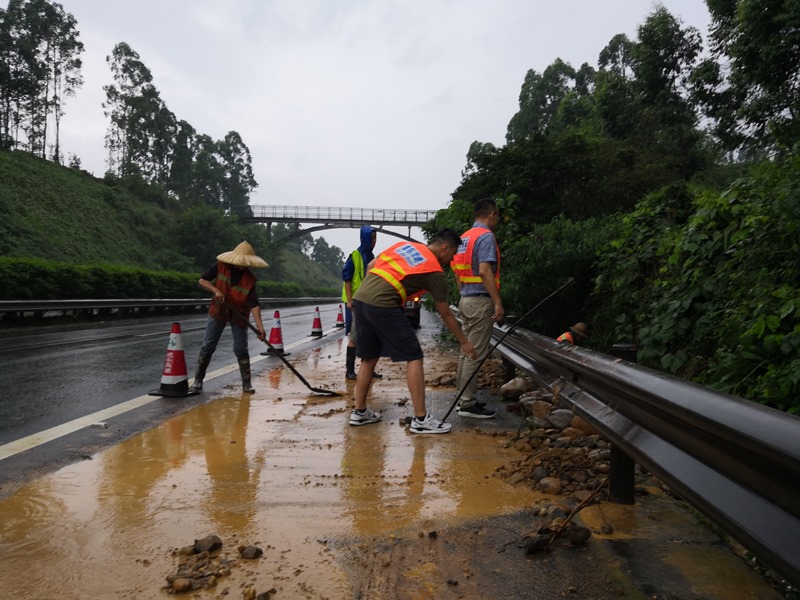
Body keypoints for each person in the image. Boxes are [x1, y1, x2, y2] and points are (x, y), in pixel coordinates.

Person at [350, 229, 478, 434]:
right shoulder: (434, 270)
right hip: (383, 303)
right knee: (414, 355)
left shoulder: (406, 247)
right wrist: (463, 341)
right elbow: (445, 313)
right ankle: (420, 419)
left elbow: (372, 266)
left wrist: (372, 291)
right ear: (445, 248)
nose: (451, 260)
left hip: (361, 299)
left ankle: (359, 411)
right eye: (452, 255)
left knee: (369, 357)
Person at [189, 241, 267, 394]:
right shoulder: (221, 266)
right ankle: (198, 381)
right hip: (219, 310)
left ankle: (247, 383)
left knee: (241, 348)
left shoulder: (250, 279)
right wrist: (215, 290)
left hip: (239, 314)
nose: (243, 265)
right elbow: (202, 280)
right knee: (208, 345)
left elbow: (254, 304)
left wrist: (260, 327)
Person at [451, 198, 505, 419]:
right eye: (498, 216)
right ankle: (467, 404)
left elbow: (456, 272)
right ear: (491, 214)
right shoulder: (485, 237)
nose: (498, 221)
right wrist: (497, 301)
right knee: (475, 353)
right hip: (480, 301)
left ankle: (462, 398)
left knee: (467, 352)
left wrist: (463, 293)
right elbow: (484, 271)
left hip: (465, 299)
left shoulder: (464, 238)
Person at [341, 226, 380, 380]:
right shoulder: (354, 256)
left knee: (370, 336)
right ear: (365, 239)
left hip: (368, 301)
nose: (374, 241)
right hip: (356, 302)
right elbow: (347, 278)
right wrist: (350, 300)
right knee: (355, 336)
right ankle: (349, 370)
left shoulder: (371, 256)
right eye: (372, 239)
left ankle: (368, 368)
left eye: (376, 239)